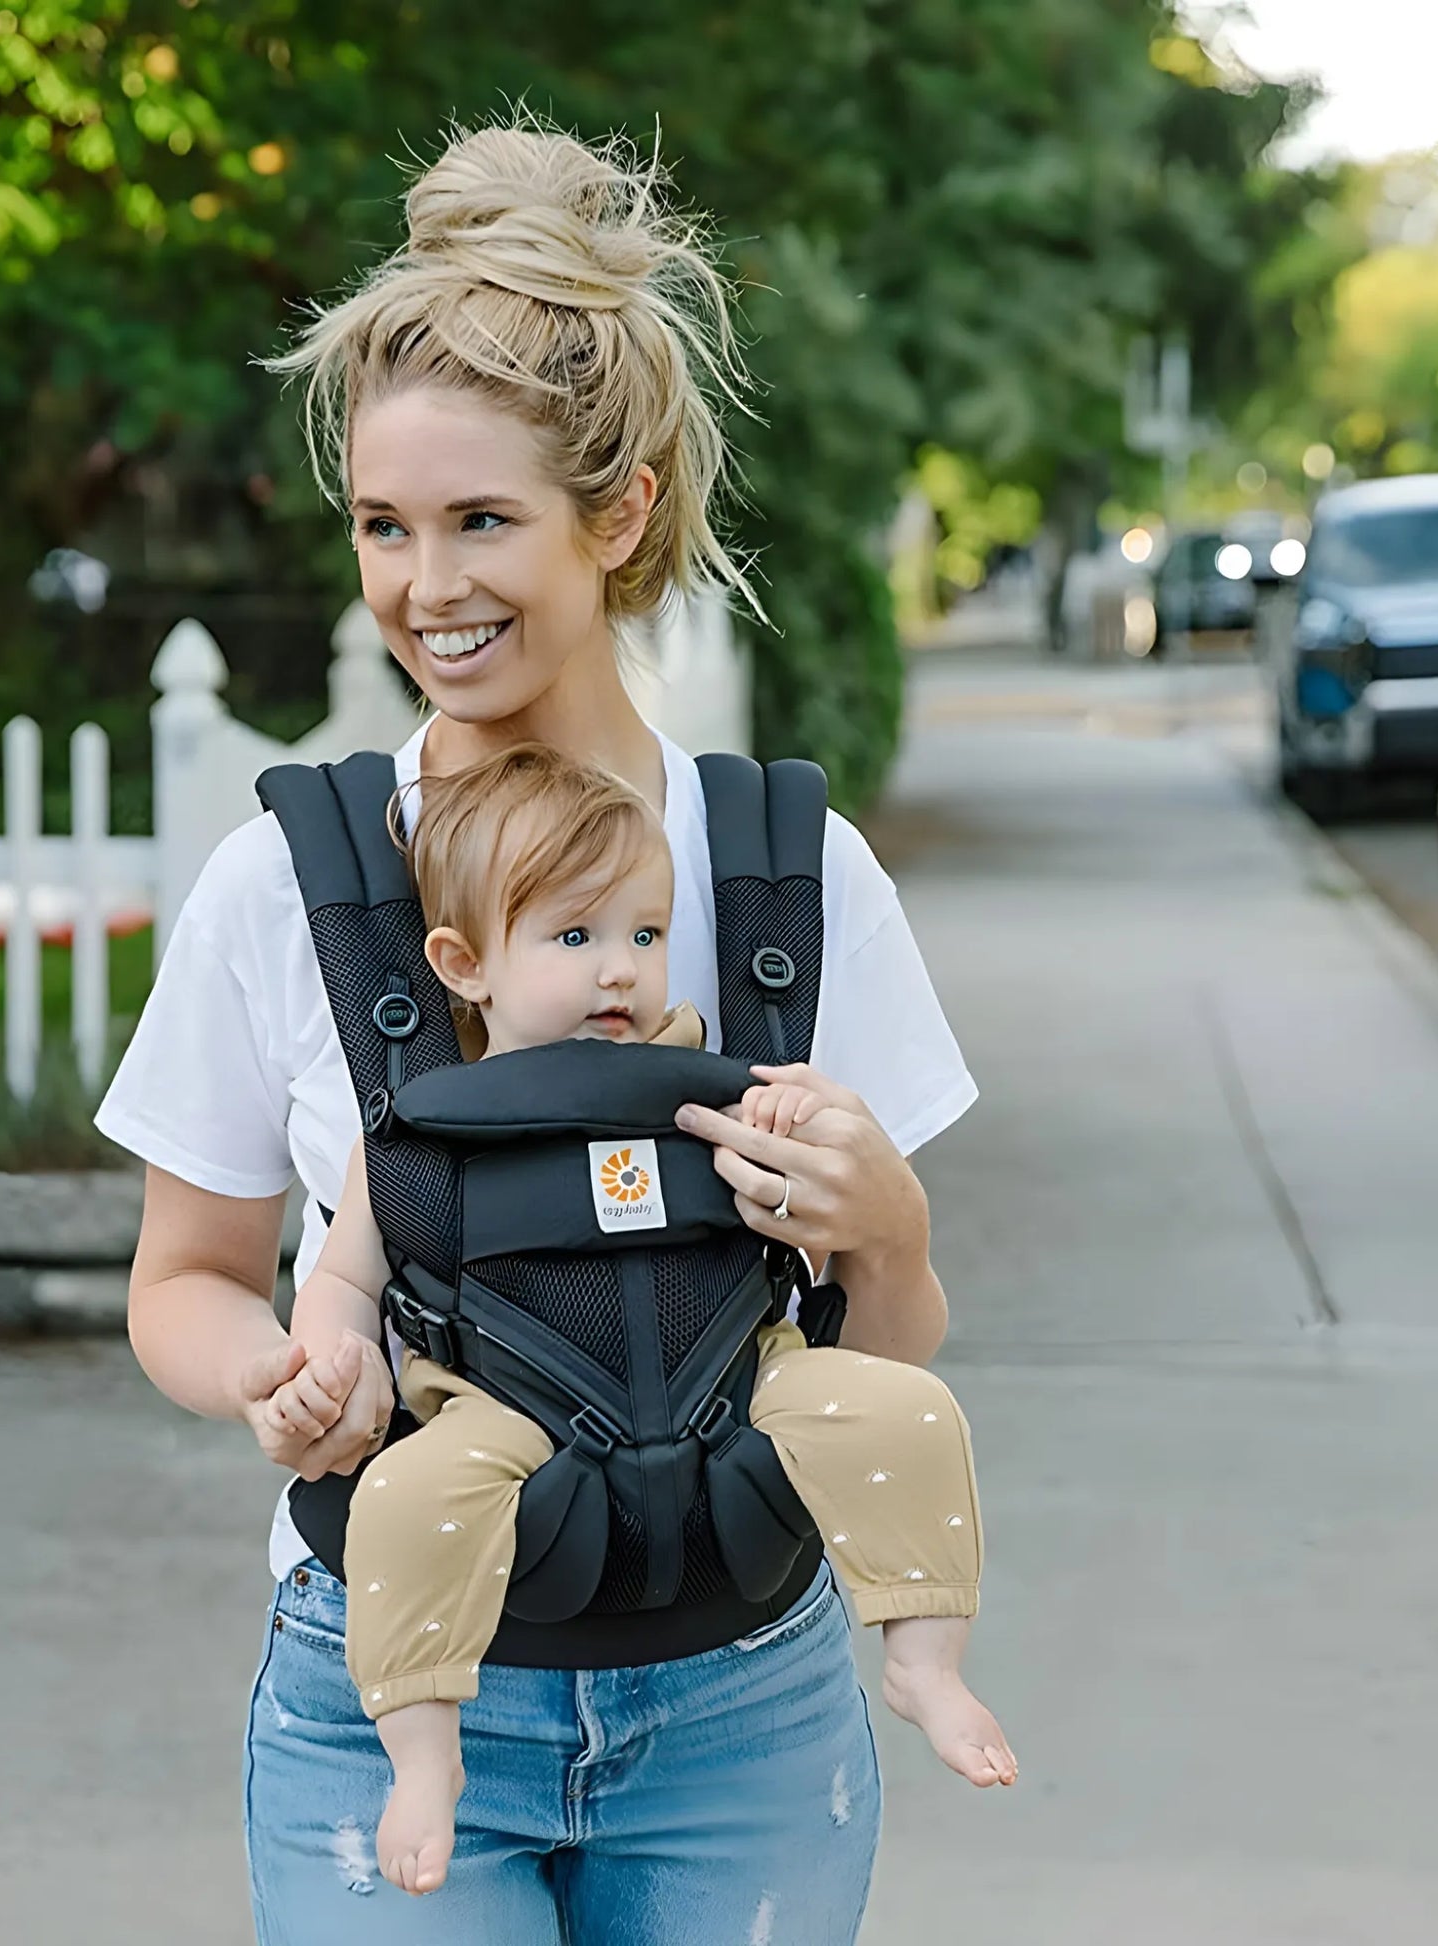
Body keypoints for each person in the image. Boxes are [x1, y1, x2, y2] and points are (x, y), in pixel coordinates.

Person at [99, 116, 991, 1946]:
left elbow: (888, 1335)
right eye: (384, 526)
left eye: (482, 521)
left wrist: (887, 1225)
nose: (426, 587)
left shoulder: (784, 872)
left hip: (745, 1704)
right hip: (392, 1689)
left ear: (621, 513)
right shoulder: (287, 884)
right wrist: (276, 1372)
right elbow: (180, 1277)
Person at [268, 741, 1012, 1896]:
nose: (618, 968)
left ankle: (923, 1657)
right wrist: (326, 1355)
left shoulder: (716, 1082)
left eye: (645, 934)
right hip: (505, 1416)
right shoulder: (422, 1129)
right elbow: (339, 1282)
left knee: (905, 1411)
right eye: (572, 936)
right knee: (403, 1500)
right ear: (464, 963)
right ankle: (422, 1752)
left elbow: (829, 1254)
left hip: (739, 1381)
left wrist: (816, 1144)